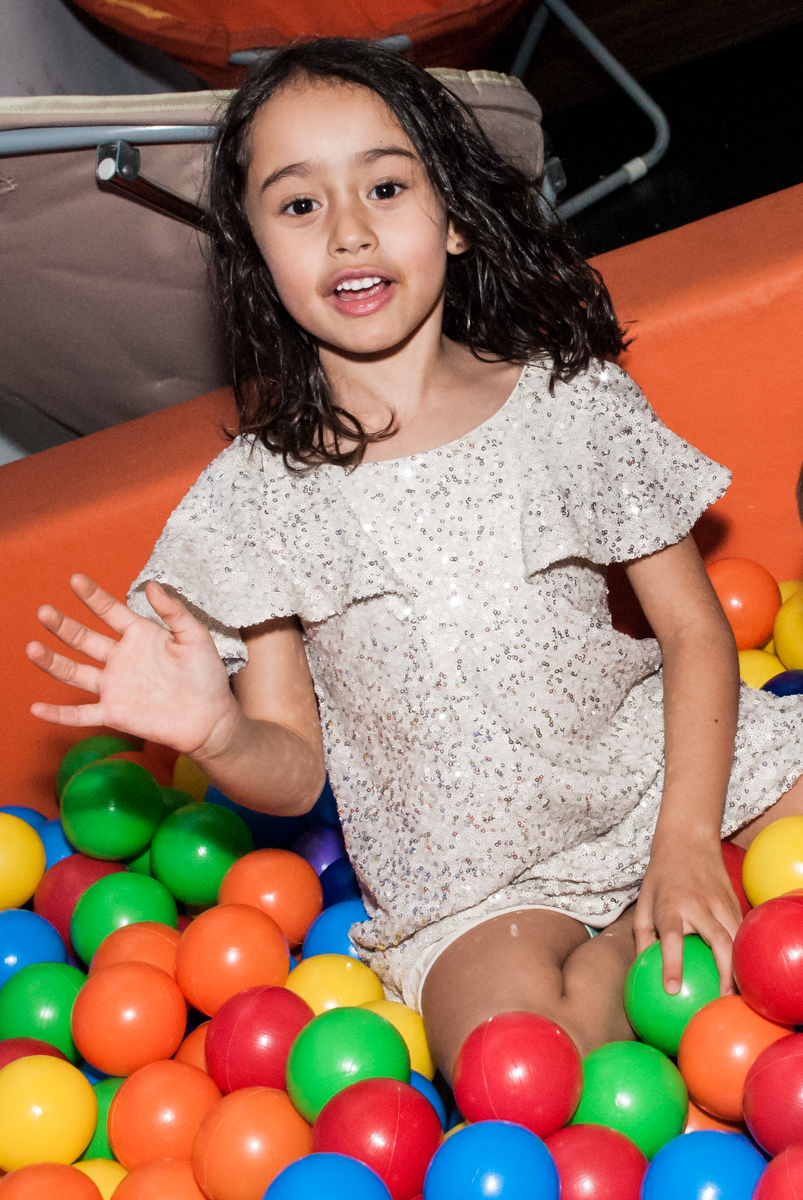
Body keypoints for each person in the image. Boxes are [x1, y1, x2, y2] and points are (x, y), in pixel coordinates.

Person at [25, 39, 803, 1077]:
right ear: (253, 253)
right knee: (514, 1069)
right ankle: (644, 942)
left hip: (656, 772)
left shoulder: (564, 404)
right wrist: (215, 730)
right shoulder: (264, 498)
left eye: (385, 187)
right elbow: (296, 773)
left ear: (453, 219)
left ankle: (670, 909)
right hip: (474, 880)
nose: (348, 231)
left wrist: (681, 841)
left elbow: (694, 629)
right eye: (299, 206)